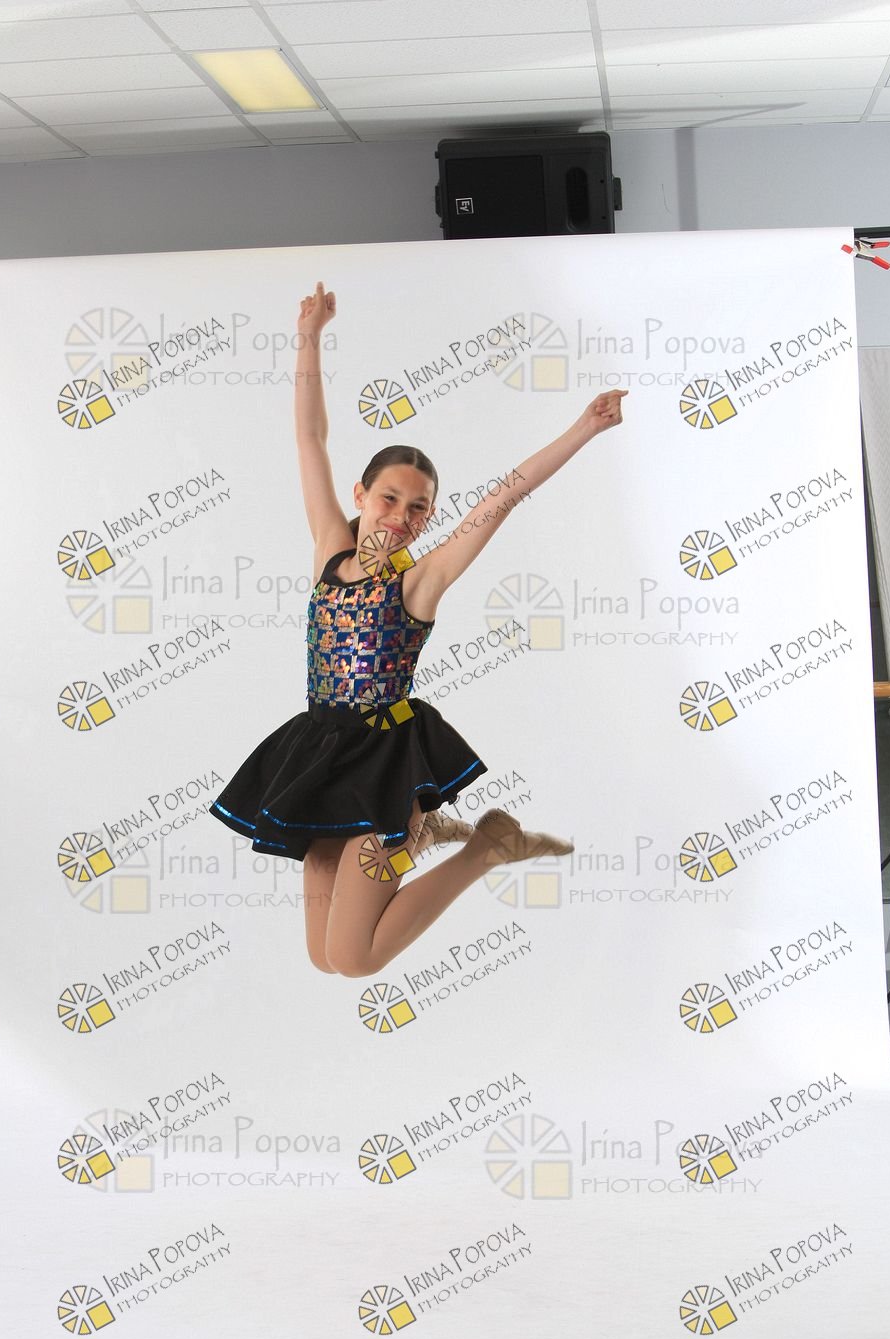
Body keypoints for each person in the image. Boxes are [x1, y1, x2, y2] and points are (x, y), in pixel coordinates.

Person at [211, 282, 627, 978]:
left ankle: (484, 847)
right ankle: (430, 834)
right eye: (389, 498)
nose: (401, 516)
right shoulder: (330, 551)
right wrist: (309, 335)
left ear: (430, 518)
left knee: (355, 958)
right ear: (361, 495)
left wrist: (584, 427)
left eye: (419, 507)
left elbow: (503, 497)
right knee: (322, 960)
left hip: (383, 766)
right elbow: (309, 439)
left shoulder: (419, 582)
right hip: (318, 756)